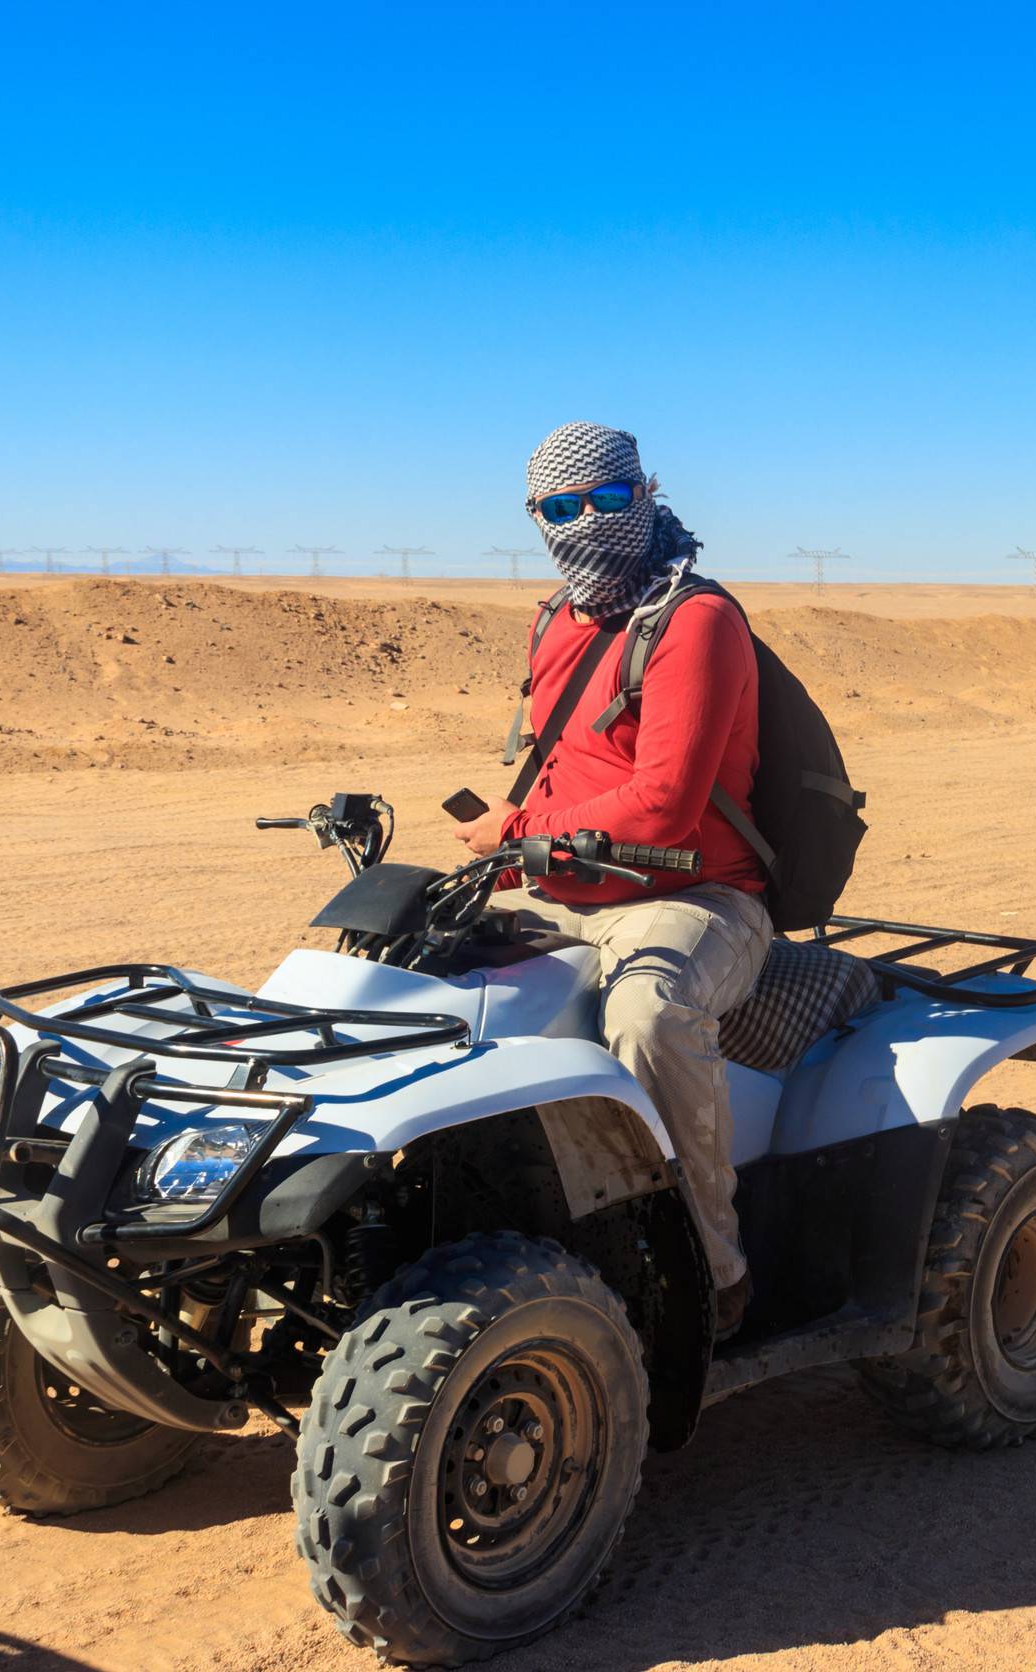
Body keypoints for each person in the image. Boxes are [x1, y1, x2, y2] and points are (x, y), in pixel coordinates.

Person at [454, 421, 771, 1338]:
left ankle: (711, 1275)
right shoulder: (555, 619)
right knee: (422, 988)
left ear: (647, 492)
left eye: (607, 499)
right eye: (562, 507)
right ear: (536, 516)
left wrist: (518, 833)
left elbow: (665, 804)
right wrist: (513, 850)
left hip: (695, 898)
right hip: (563, 892)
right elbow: (565, 770)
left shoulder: (695, 621)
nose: (586, 521)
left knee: (647, 1017)